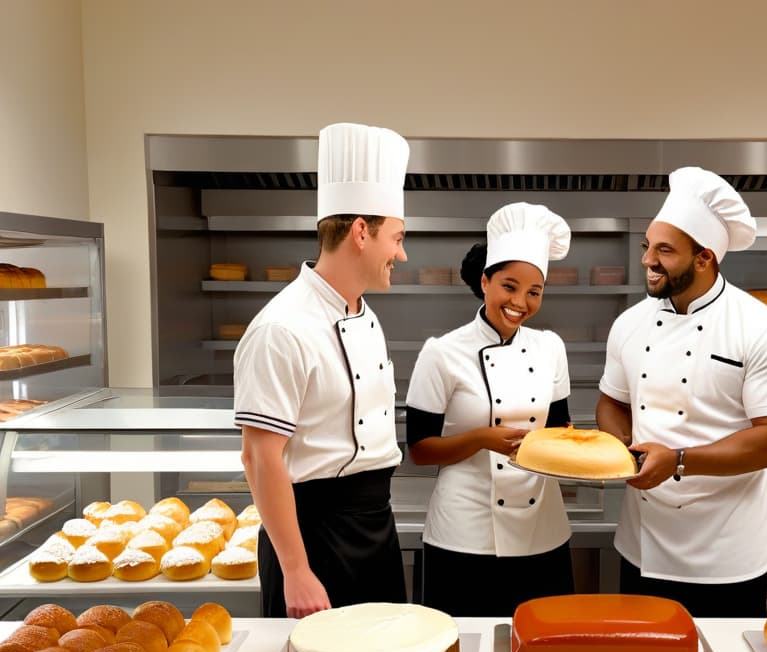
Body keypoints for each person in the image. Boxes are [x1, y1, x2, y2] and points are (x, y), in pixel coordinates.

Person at [596, 167, 767, 618]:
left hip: (727, 553)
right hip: (644, 546)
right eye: (646, 246)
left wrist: (678, 461)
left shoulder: (763, 329)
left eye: (664, 250)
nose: (647, 259)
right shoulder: (630, 324)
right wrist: (622, 454)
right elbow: (612, 402)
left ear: (705, 258)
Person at [234, 122, 410, 618]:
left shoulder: (364, 314)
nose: (401, 252)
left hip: (374, 524)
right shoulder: (281, 329)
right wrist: (295, 570)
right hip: (314, 537)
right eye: (396, 238)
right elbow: (259, 458)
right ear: (360, 232)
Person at [404, 202, 576, 617]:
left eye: (534, 292)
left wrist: (582, 454)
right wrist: (484, 438)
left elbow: (560, 428)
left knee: (543, 647)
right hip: (465, 532)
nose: (521, 301)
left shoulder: (550, 347)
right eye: (509, 286)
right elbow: (420, 450)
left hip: (542, 528)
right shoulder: (442, 353)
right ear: (485, 282)